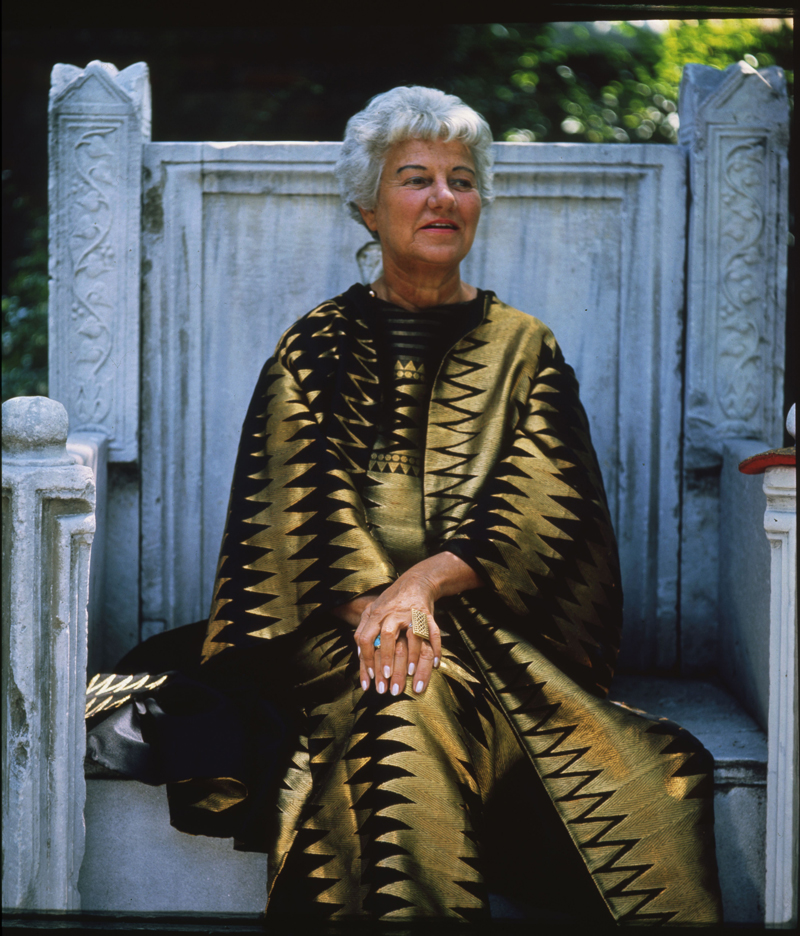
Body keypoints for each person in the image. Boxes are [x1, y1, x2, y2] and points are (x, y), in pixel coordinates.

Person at [85, 86, 723, 924]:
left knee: (619, 768)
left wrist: (418, 591)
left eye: (462, 179)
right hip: (332, 631)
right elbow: (291, 514)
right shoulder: (311, 349)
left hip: (495, 634)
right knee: (402, 706)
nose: (443, 198)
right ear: (366, 206)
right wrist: (377, 612)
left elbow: (547, 505)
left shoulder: (527, 348)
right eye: (415, 178)